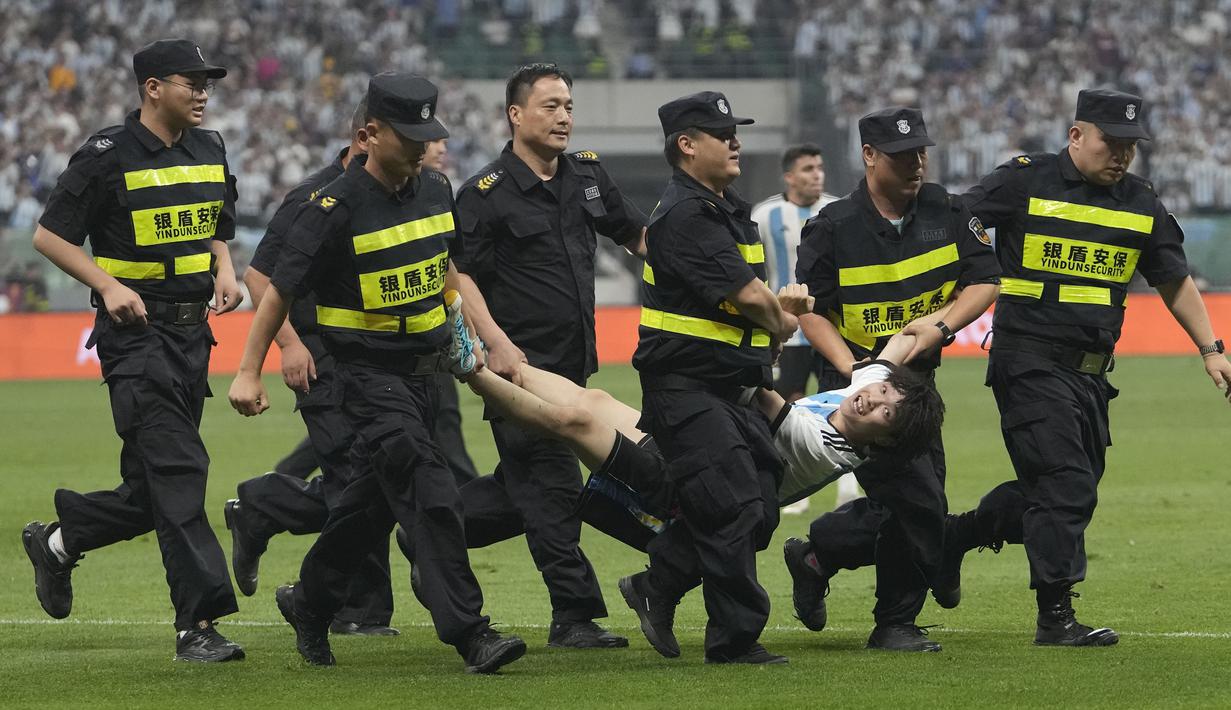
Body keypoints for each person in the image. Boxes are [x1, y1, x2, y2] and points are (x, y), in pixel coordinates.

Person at [228, 72, 524, 674]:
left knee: (367, 510)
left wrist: (469, 333)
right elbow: (277, 289)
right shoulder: (329, 208)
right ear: (368, 134)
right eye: (409, 136)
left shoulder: (438, 190)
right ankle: (471, 633)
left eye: (428, 135)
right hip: (364, 378)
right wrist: (249, 370)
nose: (422, 147)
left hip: (426, 374)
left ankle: (309, 603)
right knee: (430, 488)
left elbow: (445, 268)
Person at [958, 88, 1231, 646]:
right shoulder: (1023, 180)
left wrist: (1211, 348)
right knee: (1066, 484)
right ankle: (1055, 617)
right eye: (1112, 143)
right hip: (1028, 360)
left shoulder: (1140, 200)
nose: (1123, 155)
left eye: (1131, 146)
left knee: (1055, 490)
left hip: (1090, 373)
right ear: (1077, 136)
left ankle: (953, 537)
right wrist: (982, 269)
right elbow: (962, 217)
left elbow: (1172, 279)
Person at [21, 39, 245, 662]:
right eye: (190, 82)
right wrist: (107, 284)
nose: (203, 93)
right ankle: (196, 626)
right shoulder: (105, 155)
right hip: (136, 339)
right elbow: (48, 235)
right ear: (152, 87)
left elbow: (217, 225)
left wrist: (224, 268)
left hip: (193, 336)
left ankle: (61, 542)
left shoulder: (211, 147)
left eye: (208, 84)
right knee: (180, 473)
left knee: (153, 491)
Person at [787, 107, 1001, 652]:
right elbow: (809, 310)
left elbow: (985, 280)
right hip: (865, 397)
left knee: (911, 501)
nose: (917, 164)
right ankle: (894, 622)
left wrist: (941, 326)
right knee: (920, 501)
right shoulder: (832, 226)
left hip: (920, 386)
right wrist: (853, 370)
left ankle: (819, 553)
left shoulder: (948, 210)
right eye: (904, 156)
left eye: (921, 153)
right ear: (868, 157)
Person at [451, 62, 646, 649]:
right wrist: (497, 343)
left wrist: (698, 269)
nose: (564, 117)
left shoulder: (586, 175)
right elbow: (459, 277)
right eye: (550, 106)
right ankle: (575, 614)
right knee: (554, 486)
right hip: (521, 370)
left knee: (524, 490)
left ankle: (433, 526)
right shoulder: (483, 194)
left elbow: (634, 234)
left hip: (577, 367)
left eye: (568, 105)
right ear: (516, 114)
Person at [621, 90, 798, 665]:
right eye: (723, 134)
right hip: (685, 389)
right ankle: (733, 639)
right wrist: (783, 322)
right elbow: (751, 298)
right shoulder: (688, 216)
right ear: (687, 145)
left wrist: (771, 324)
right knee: (735, 505)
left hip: (727, 391)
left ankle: (659, 582)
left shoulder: (721, 207)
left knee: (761, 504)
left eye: (735, 131)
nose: (735, 141)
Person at [223, 99, 399, 637]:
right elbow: (259, 277)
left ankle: (264, 504)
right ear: (365, 139)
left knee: (374, 475)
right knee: (355, 473)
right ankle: (359, 609)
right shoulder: (312, 198)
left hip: (377, 360)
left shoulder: (394, 197)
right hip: (319, 358)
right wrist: (290, 344)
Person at [750, 142, 854, 515]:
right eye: (808, 168)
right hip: (788, 330)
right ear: (789, 175)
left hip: (829, 325)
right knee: (789, 403)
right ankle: (799, 483)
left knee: (840, 398)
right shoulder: (765, 215)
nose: (817, 175)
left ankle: (848, 485)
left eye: (820, 167)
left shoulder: (837, 209)